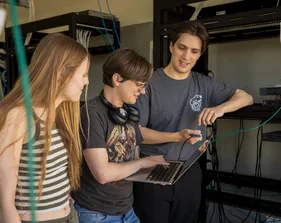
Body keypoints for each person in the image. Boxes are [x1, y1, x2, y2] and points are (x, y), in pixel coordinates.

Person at [133, 20, 254, 223]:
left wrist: (220, 108)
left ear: (200, 54)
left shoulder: (204, 84)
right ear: (171, 46)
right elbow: (137, 133)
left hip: (188, 170)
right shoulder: (149, 83)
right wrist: (177, 137)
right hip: (152, 169)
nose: (187, 56)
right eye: (182, 48)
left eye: (194, 51)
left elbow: (246, 97)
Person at [0, 33, 90, 223]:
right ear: (62, 72)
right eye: (83, 74)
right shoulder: (19, 116)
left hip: (68, 214)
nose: (86, 81)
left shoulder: (61, 112)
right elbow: (4, 202)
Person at [71, 48, 169, 223]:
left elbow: (133, 160)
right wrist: (143, 162)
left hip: (126, 211)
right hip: (97, 215)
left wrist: (153, 174)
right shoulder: (92, 113)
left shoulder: (129, 114)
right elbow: (103, 174)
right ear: (117, 79)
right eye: (139, 84)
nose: (143, 91)